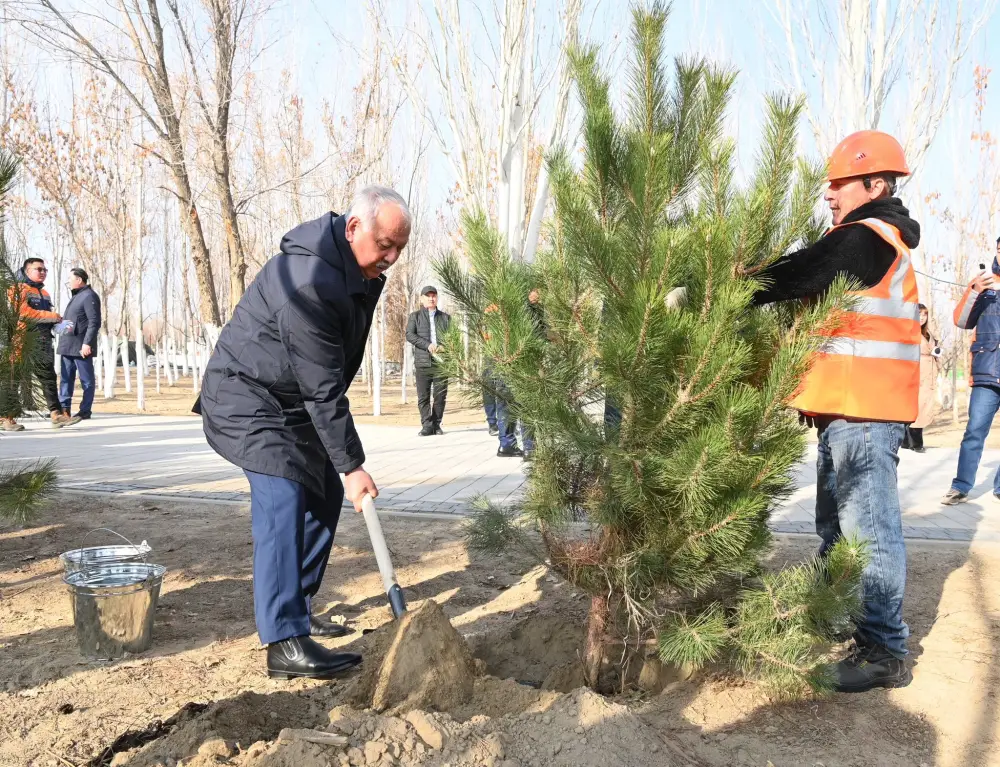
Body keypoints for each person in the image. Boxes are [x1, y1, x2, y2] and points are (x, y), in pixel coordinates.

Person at [195, 185, 411, 680]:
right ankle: (284, 640)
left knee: (325, 490)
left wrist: (341, 470)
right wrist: (353, 464)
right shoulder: (309, 278)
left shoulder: (352, 269)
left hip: (287, 401)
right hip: (244, 396)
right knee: (283, 491)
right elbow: (322, 385)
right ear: (354, 229)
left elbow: (325, 378)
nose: (393, 258)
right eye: (385, 245)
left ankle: (298, 604)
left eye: (400, 247)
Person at [751, 130, 920, 693]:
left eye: (839, 182)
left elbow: (801, 272)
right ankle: (836, 613)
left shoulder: (869, 236)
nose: (828, 193)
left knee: (866, 530)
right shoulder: (862, 236)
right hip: (845, 410)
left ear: (875, 184)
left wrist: (725, 285)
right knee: (836, 526)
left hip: (867, 413)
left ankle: (883, 650)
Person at [941, 238, 1000, 505]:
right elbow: (961, 320)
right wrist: (974, 290)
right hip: (987, 371)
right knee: (974, 430)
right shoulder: (985, 286)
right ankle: (961, 485)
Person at [2, 258, 71, 431]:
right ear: (27, 270)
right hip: (22, 341)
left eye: (45, 270)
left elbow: (44, 316)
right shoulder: (17, 289)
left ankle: (56, 415)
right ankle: (6, 418)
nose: (42, 272)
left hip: (43, 340)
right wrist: (53, 317)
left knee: (48, 377)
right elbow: (24, 313)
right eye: (38, 269)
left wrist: (57, 325)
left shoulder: (44, 293)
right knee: (15, 378)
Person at [57, 268, 101, 423]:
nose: (68, 281)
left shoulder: (89, 296)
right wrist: (56, 330)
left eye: (70, 278)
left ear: (79, 280)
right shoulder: (76, 297)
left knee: (86, 381)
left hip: (81, 347)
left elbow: (94, 322)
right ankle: (65, 410)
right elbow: (71, 321)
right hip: (67, 345)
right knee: (65, 380)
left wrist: (87, 343)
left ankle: (85, 411)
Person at [405, 285, 450, 436]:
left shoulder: (445, 317)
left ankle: (437, 424)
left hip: (441, 363)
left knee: (440, 396)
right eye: (428, 296)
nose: (431, 298)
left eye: (434, 295)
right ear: (422, 298)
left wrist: (446, 347)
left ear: (437, 298)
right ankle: (427, 425)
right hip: (423, 362)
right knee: (423, 396)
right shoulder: (415, 316)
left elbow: (452, 337)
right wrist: (428, 345)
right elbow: (410, 335)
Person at [902, 304, 941, 453]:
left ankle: (907, 441)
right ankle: (916, 443)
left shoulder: (928, 333)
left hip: (929, 373)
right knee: (918, 407)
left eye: (925, 315)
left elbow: (933, 350)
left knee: (924, 407)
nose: (922, 317)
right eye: (919, 314)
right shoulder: (910, 332)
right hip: (916, 373)